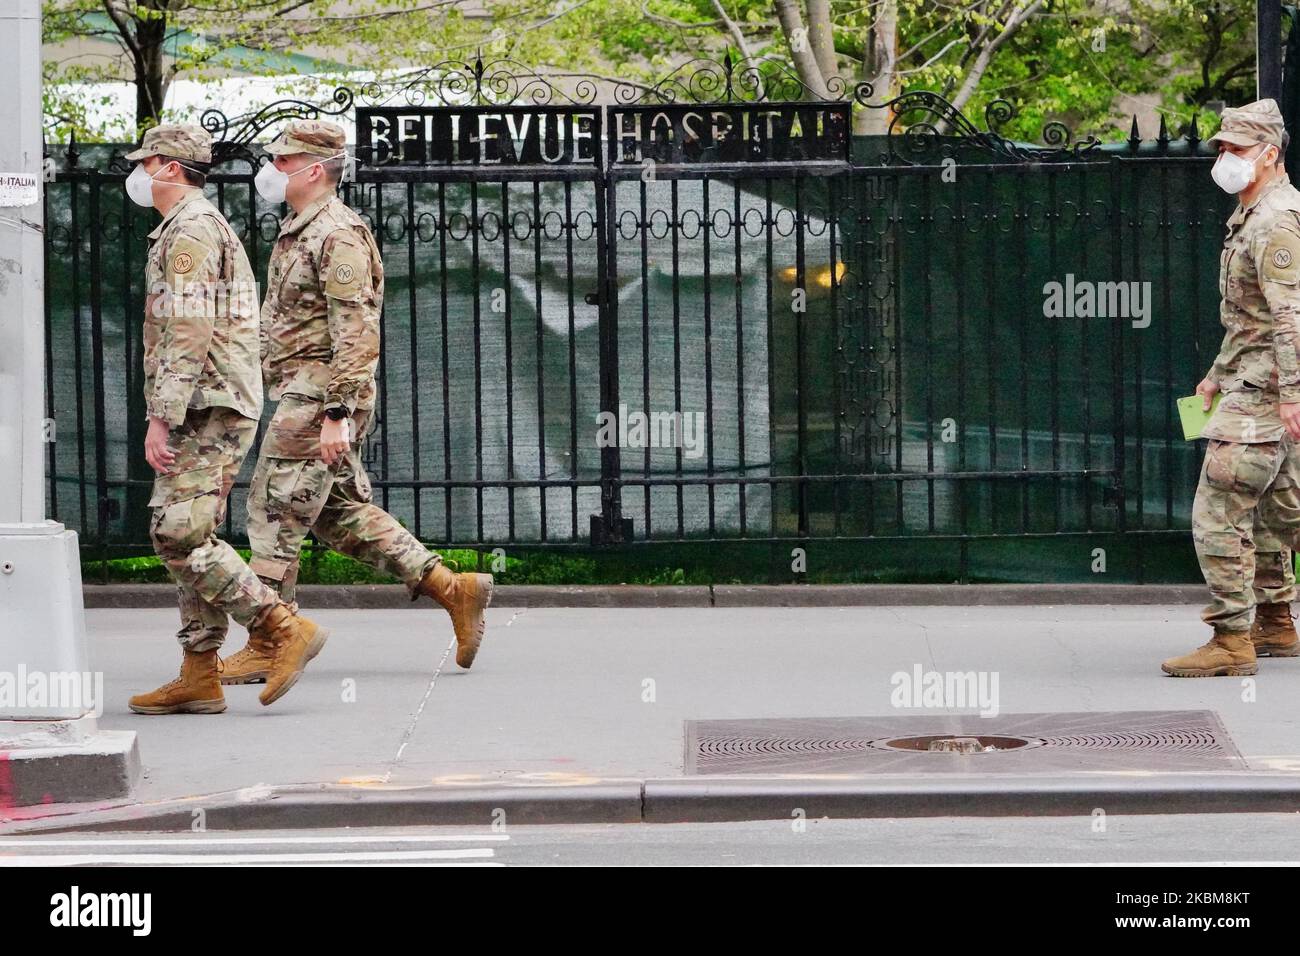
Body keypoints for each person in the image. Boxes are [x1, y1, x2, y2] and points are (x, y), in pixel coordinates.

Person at [219, 120, 493, 685]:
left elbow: (357, 332)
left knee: (273, 511)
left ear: (312, 169)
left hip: (318, 398)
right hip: (306, 391)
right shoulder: (301, 228)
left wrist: (337, 413)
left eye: (281, 159)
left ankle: (272, 639)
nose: (271, 170)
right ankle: (454, 588)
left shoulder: (338, 234)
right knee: (337, 514)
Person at [122, 124, 331, 713]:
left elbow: (188, 329)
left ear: (169, 168)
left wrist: (161, 415)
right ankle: (199, 674)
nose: (140, 173)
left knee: (177, 533)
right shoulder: (189, 226)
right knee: (194, 534)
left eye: (148, 162)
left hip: (205, 403)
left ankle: (280, 627)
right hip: (212, 398)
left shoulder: (190, 229)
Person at [1164, 99, 1300, 677]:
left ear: (1269, 155)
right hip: (1253, 379)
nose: (1224, 158)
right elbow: (1252, 321)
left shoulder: (1275, 222)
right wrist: (1216, 375)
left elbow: (1290, 316)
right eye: (1221, 147)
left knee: (1218, 512)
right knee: (1274, 509)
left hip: (1266, 392)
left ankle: (1231, 641)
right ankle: (1274, 623)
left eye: (1236, 149)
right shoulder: (1258, 213)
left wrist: (1293, 394)